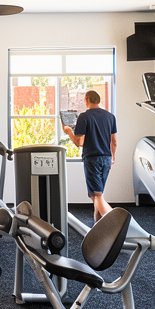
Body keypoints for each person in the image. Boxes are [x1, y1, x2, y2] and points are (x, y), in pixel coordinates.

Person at [61, 89, 117, 223]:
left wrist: (69, 132)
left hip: (92, 159)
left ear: (86, 99)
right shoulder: (110, 117)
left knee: (96, 196)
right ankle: (99, 227)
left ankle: (115, 222)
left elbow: (79, 142)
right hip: (107, 158)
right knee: (98, 195)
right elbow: (114, 142)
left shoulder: (84, 117)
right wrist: (112, 157)